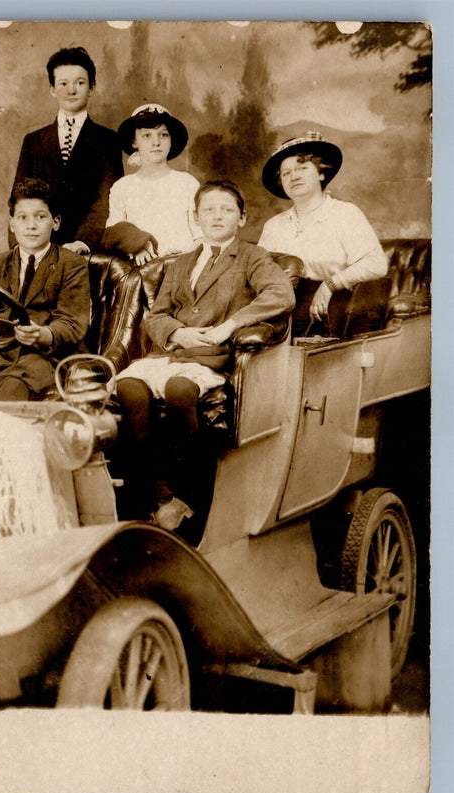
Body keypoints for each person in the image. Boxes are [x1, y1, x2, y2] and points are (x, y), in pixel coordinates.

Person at [115, 179, 295, 534]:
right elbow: (157, 314)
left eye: (227, 210)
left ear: (241, 219)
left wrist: (230, 325)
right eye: (208, 210)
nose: (217, 216)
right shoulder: (182, 262)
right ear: (196, 217)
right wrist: (176, 332)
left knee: (181, 389)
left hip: (212, 356)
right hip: (175, 350)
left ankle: (192, 495)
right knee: (130, 387)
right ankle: (162, 497)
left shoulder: (252, 257)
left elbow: (281, 294)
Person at [0, 178, 90, 401]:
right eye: (22, 218)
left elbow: (72, 323)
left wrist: (42, 334)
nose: (31, 226)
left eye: (40, 217)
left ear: (55, 222)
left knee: (13, 387)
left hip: (47, 356)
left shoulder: (72, 265)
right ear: (12, 224)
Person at [258, 131, 387, 322]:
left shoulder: (345, 214)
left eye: (302, 168)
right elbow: (258, 274)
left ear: (321, 173)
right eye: (286, 173)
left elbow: (377, 265)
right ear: (281, 183)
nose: (294, 177)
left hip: (333, 312)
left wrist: (330, 285)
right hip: (279, 316)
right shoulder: (273, 226)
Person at [12, 46, 123, 254]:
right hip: (37, 247)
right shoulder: (33, 141)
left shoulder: (108, 140)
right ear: (52, 89)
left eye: (79, 83)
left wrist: (83, 242)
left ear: (92, 88)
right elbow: (19, 198)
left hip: (86, 251)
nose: (71, 90)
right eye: (63, 83)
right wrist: (24, 244)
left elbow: (107, 199)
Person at [103, 104, 201, 264]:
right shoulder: (122, 187)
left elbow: (201, 235)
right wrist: (136, 245)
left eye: (163, 135)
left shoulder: (187, 183)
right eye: (147, 136)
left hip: (183, 267)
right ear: (134, 141)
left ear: (171, 140)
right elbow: (113, 232)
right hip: (139, 271)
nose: (156, 142)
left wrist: (183, 257)